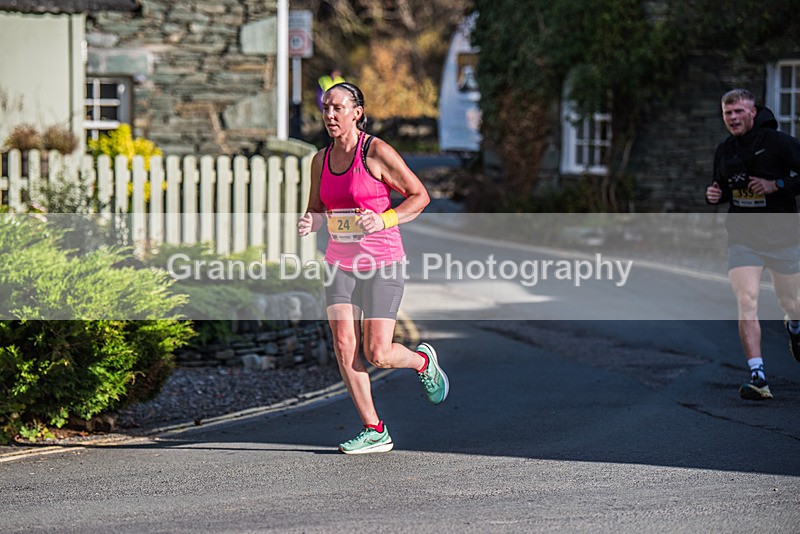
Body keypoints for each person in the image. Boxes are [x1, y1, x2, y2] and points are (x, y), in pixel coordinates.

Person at [298, 82, 449, 453]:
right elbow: (318, 207)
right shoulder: (320, 159)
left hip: (382, 262)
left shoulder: (376, 152)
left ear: (356, 112)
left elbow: (420, 196)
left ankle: (422, 361)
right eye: (325, 108)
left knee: (377, 352)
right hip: (339, 264)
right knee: (343, 343)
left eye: (338, 108)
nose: (330, 115)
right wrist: (311, 221)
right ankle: (374, 428)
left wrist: (384, 220)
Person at [706, 88, 800, 400]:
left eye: (738, 112)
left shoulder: (776, 142)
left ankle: (795, 325)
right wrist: (713, 196)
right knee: (746, 299)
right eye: (727, 113)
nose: (732, 118)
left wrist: (778, 185)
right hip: (743, 238)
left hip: (782, 236)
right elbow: (720, 185)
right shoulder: (724, 150)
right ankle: (758, 377)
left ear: (752, 112)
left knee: (792, 302)